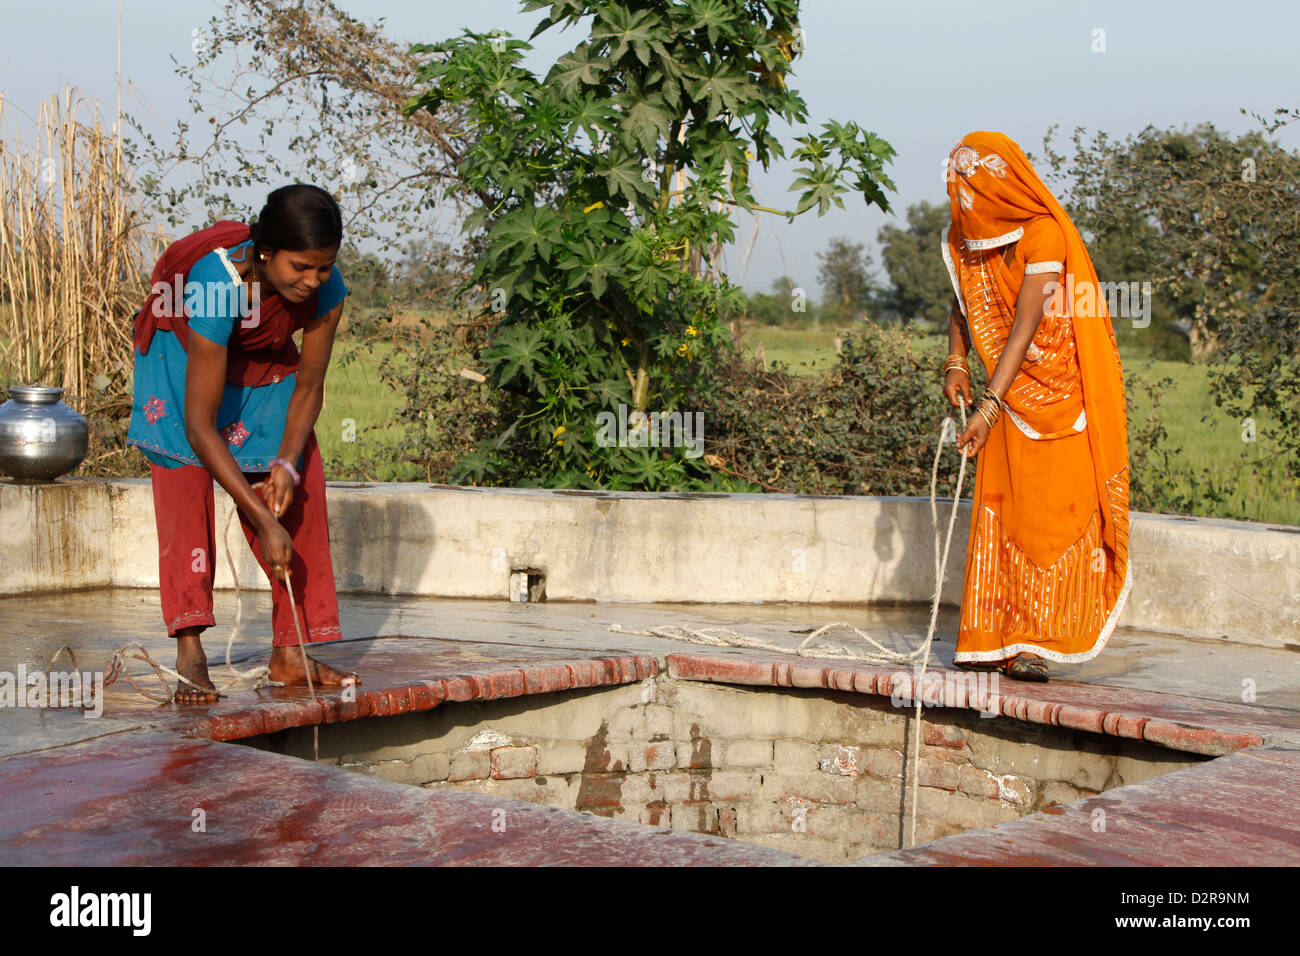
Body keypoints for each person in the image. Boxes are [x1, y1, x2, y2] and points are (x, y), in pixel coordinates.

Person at [127, 184, 361, 702]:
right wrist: (258, 515)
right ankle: (190, 649)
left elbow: (310, 387)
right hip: (184, 359)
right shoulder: (217, 284)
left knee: (301, 487)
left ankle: (291, 650)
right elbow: (200, 426)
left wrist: (286, 466)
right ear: (266, 252)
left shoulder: (326, 287)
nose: (313, 280)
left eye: (323, 267)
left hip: (264, 362)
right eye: (300, 267)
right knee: (185, 479)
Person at [940, 131, 1131, 682]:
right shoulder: (967, 238)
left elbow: (1025, 324)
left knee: (1056, 518)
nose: (962, 198)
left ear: (1000, 182)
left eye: (970, 185)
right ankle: (996, 639)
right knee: (1010, 513)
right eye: (957, 186)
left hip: (1056, 396)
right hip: (1004, 398)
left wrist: (991, 406)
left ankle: (1036, 643)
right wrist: (956, 362)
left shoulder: (1044, 234)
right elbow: (962, 307)